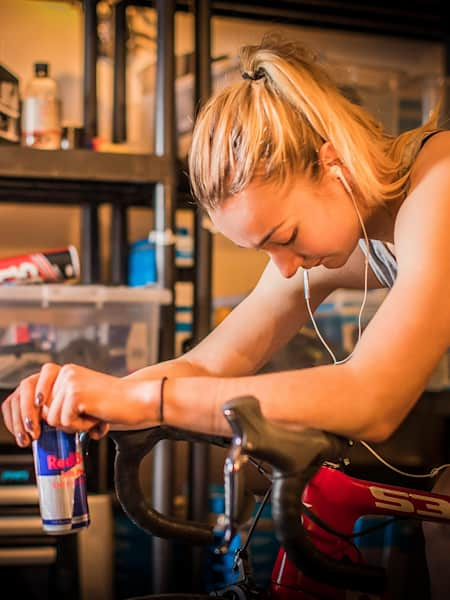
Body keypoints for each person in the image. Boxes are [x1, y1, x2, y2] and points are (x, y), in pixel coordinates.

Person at [2, 33, 450, 596]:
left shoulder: (441, 181)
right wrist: (84, 392)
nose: (285, 270)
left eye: (284, 237)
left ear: (333, 161)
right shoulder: (353, 222)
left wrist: (149, 400)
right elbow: (210, 363)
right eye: (264, 250)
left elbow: (374, 398)